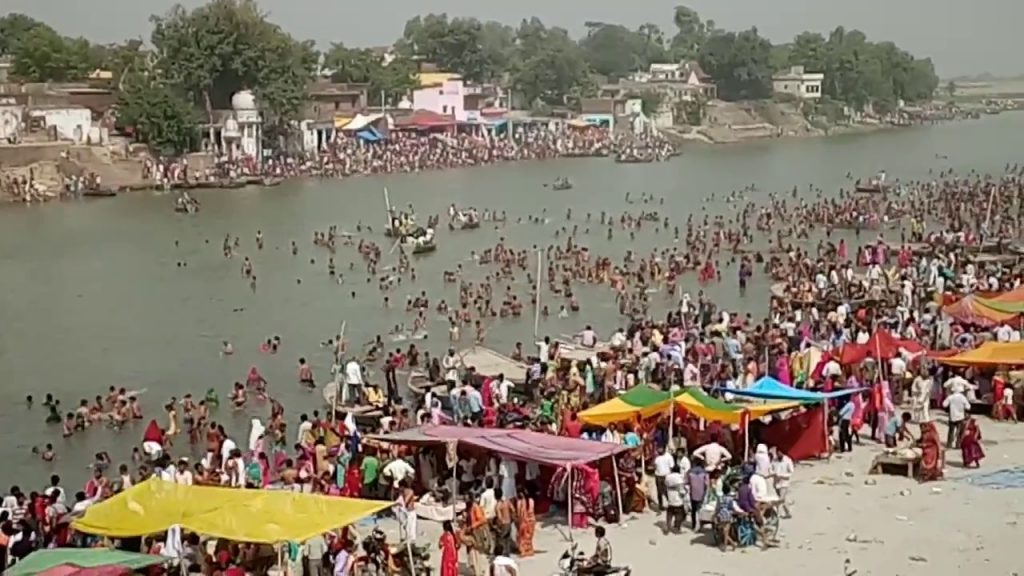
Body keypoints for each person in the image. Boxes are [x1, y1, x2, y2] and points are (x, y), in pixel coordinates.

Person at [769, 447, 793, 518]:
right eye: (777, 453)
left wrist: (782, 476)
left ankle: (775, 513)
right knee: (781, 499)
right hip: (776, 483)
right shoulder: (774, 460)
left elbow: (791, 472)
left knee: (781, 499)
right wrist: (774, 473)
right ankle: (788, 512)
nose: (778, 454)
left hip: (784, 483)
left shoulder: (788, 460)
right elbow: (770, 469)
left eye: (780, 453)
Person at [685, 458, 708, 530]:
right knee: (700, 510)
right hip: (701, 493)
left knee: (693, 510)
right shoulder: (704, 472)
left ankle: (693, 524)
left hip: (692, 493)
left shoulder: (689, 472)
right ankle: (700, 526)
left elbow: (686, 482)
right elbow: (706, 484)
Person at [663, 464, 686, 533]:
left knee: (670, 513)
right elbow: (681, 490)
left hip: (670, 497)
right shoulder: (680, 477)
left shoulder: (668, 477)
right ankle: (677, 527)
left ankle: (668, 526)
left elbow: (665, 485)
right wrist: (684, 494)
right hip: (678, 499)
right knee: (679, 514)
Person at [514, 486, 536, 557]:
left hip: (524, 521)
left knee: (522, 537)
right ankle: (530, 550)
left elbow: (519, 513)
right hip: (531, 521)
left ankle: (523, 551)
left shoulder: (519, 502)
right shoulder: (531, 501)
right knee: (529, 536)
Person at [652, 446, 673, 511]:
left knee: (667, 491)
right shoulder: (657, 457)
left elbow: (671, 466)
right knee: (659, 492)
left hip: (666, 476)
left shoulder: (669, 456)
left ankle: (671, 504)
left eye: (660, 448)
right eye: (658, 448)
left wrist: (669, 476)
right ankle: (661, 506)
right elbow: (655, 465)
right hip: (658, 476)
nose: (659, 449)